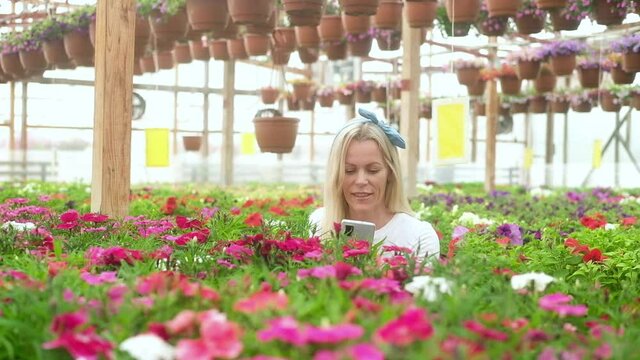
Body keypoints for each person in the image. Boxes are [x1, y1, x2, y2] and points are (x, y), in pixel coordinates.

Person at [309, 108, 440, 260]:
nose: (361, 181)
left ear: (390, 173)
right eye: (349, 170)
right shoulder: (320, 224)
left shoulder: (418, 236)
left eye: (373, 170)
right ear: (336, 174)